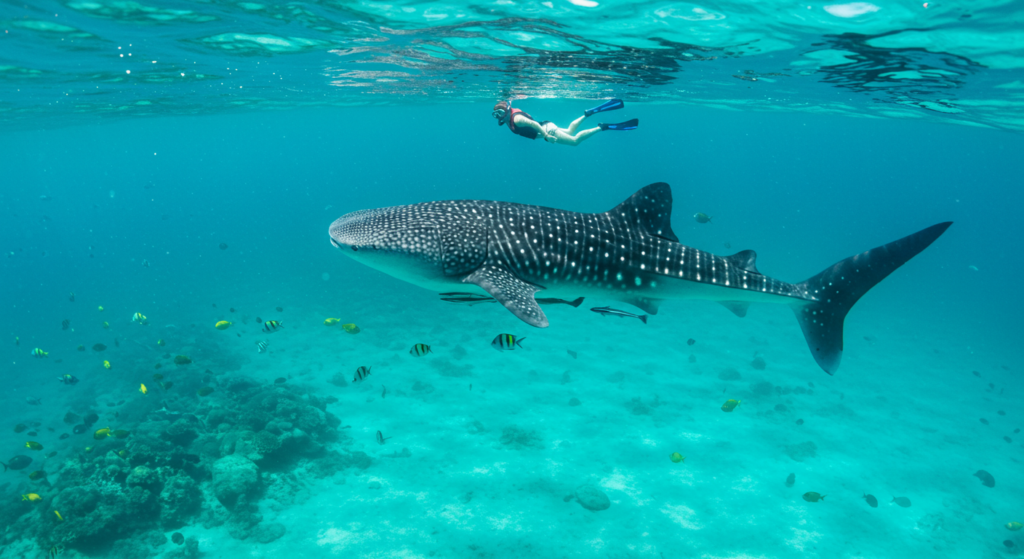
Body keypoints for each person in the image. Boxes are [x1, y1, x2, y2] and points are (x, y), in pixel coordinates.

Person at [492, 99, 637, 146]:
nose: (498, 117)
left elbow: (533, 124)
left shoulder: (516, 119)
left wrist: (546, 136)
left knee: (574, 141)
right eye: (496, 114)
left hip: (547, 130)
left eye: (500, 113)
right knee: (569, 130)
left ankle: (602, 127)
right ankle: (588, 113)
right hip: (547, 125)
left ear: (507, 110)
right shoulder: (508, 117)